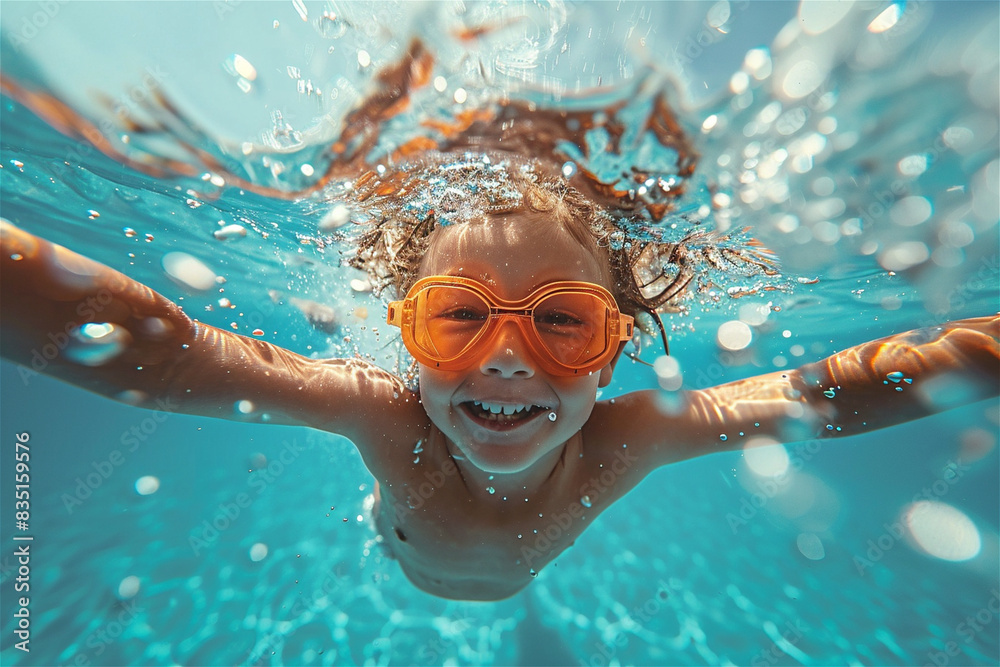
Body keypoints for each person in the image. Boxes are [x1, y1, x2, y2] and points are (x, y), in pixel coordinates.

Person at [1, 48, 997, 601]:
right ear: (404, 333)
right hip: (391, 550)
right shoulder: (385, 418)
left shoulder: (633, 436)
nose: (509, 358)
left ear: (615, 346)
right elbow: (179, 354)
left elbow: (819, 396)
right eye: (459, 318)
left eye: (562, 322)